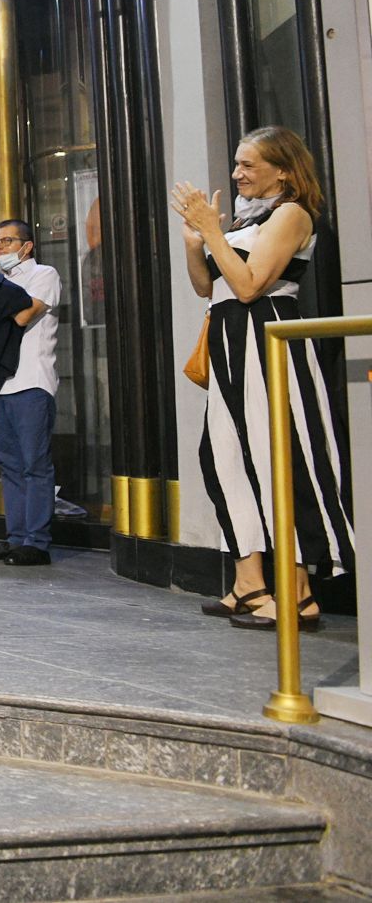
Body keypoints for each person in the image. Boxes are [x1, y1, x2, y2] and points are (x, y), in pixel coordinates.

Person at [172, 126, 354, 631]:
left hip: (267, 338)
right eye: (237, 163)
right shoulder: (246, 219)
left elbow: (251, 287)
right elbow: (209, 286)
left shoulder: (292, 214)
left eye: (249, 165)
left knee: (278, 457)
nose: (237, 174)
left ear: (284, 169)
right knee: (224, 457)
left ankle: (298, 593)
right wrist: (195, 242)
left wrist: (212, 230)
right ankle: (250, 585)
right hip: (231, 341)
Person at [0, 218, 62, 567]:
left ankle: (37, 542)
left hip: (32, 382)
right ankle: (15, 537)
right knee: (9, 464)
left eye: (7, 242)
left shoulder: (44, 274)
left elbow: (23, 316)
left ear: (27, 246)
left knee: (35, 463)